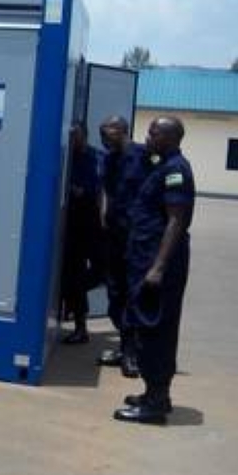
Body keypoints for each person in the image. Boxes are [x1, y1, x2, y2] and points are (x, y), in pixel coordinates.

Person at [113, 116, 195, 425]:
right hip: (145, 259)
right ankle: (154, 394)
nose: (147, 136)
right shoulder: (161, 165)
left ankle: (156, 404)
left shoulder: (176, 170)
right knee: (147, 326)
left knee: (156, 329)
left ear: (171, 138)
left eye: (154, 132)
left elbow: (175, 220)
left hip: (159, 264)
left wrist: (158, 267)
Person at [98, 116, 149, 377]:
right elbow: (106, 189)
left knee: (132, 295)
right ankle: (125, 345)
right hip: (113, 235)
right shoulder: (108, 158)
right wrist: (103, 213)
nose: (104, 138)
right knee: (115, 295)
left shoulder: (144, 156)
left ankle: (131, 353)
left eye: (108, 133)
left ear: (122, 131)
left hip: (136, 238)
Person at [60, 121, 103, 344]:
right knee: (73, 272)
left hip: (93, 220)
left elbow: (102, 190)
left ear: (84, 135)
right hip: (71, 222)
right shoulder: (64, 157)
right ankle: (80, 326)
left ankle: (68, 292)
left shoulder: (98, 157)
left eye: (75, 135)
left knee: (101, 271)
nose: (72, 139)